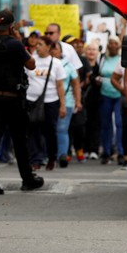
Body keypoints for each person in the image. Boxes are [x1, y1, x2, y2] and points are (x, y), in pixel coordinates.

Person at [0, 9, 43, 194]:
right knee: (19, 139)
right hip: (12, 98)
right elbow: (31, 65)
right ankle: (27, 178)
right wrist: (19, 40)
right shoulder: (14, 44)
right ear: (12, 26)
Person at [25, 36, 66, 171]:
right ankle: (35, 159)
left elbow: (60, 85)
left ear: (48, 47)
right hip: (32, 101)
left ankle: (51, 157)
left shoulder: (56, 63)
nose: (37, 47)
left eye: (41, 44)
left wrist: (62, 105)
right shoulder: (31, 60)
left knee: (50, 131)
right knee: (33, 131)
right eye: (36, 44)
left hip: (50, 101)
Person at [53, 40, 82, 168]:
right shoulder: (45, 63)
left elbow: (76, 85)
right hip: (49, 100)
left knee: (62, 129)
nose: (53, 50)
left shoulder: (69, 66)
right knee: (49, 129)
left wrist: (78, 101)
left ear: (60, 51)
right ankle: (50, 154)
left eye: (55, 48)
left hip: (68, 101)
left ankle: (62, 155)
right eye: (51, 48)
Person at [98, 35, 124, 165]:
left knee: (119, 123)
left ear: (119, 45)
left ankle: (120, 151)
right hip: (105, 94)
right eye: (111, 43)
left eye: (115, 43)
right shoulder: (103, 58)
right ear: (108, 45)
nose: (113, 46)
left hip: (119, 94)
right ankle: (106, 152)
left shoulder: (121, 59)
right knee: (105, 125)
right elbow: (99, 73)